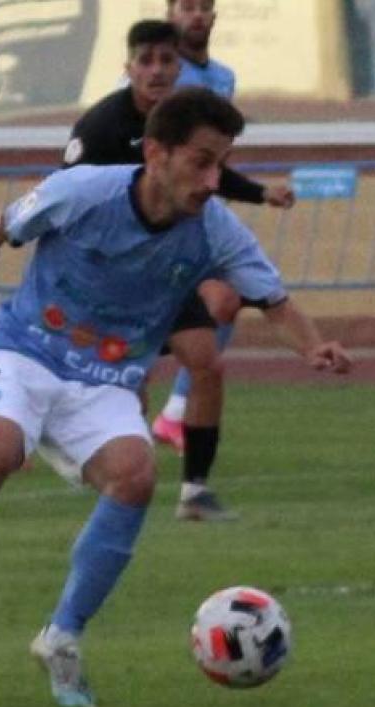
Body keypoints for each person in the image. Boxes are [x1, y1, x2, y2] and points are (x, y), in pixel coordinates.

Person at [0, 89, 350, 707]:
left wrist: (312, 348)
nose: (214, 181)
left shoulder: (216, 231)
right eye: (202, 163)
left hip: (105, 380)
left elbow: (275, 302)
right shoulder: (85, 191)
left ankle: (62, 637)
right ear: (156, 153)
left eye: (221, 165)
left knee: (135, 475)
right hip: (26, 350)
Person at [65, 19, 293, 521]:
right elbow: (65, 201)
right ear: (128, 67)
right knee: (124, 380)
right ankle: (110, 469)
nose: (157, 70)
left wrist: (259, 193)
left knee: (206, 361)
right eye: (146, 60)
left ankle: (194, 492)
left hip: (168, 270)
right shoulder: (100, 127)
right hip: (109, 279)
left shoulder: (186, 118)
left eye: (167, 61)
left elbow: (210, 170)